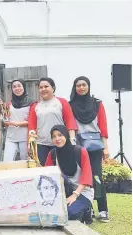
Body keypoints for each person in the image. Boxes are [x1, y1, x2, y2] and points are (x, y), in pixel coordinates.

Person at [70, 76, 110, 222]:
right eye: (78, 85)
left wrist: (105, 147)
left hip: (95, 147)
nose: (81, 88)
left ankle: (103, 209)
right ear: (74, 88)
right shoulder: (71, 105)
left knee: (96, 177)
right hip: (79, 147)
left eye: (83, 85)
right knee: (82, 178)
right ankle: (88, 208)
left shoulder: (97, 104)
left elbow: (103, 126)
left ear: (88, 86)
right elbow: (71, 126)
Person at [45, 125, 94, 224]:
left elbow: (87, 176)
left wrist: (75, 195)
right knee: (53, 212)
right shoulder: (52, 154)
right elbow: (47, 176)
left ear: (66, 136)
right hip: (63, 192)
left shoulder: (80, 151)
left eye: (60, 135)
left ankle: (87, 211)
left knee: (70, 213)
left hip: (82, 192)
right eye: (54, 136)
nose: (57, 139)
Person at [28, 78, 77, 165]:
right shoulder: (35, 106)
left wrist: (72, 141)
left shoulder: (62, 102)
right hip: (41, 145)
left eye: (46, 86)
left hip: (59, 143)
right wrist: (31, 145)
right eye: (41, 87)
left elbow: (70, 122)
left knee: (61, 170)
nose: (43, 89)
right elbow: (32, 127)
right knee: (44, 172)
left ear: (53, 88)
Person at [0, 79, 34, 162]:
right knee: (7, 162)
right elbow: (6, 121)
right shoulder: (8, 104)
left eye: (19, 86)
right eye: (14, 87)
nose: (17, 88)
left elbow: (32, 121)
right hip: (11, 138)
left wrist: (16, 123)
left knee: (26, 163)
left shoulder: (32, 103)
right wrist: (2, 108)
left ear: (23, 87)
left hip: (26, 138)